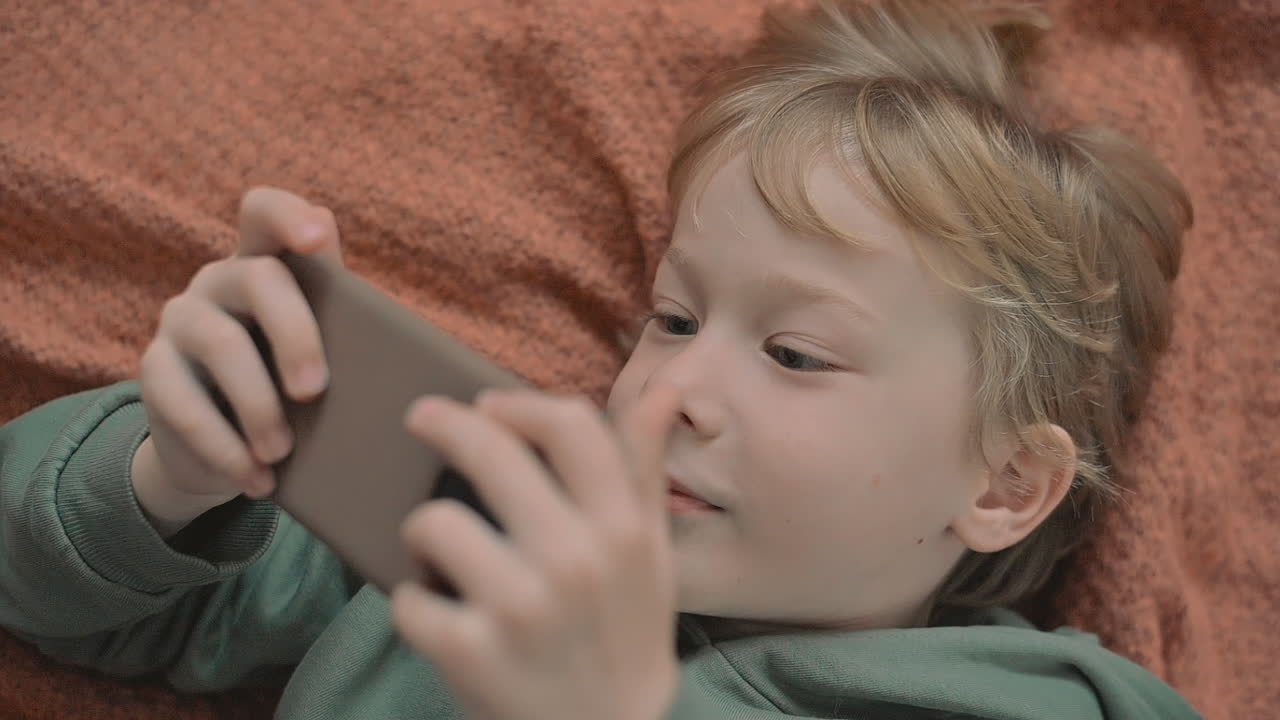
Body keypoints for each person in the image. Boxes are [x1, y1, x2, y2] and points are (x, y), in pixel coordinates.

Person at [0, 1, 1201, 718]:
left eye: (794, 352)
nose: (670, 391)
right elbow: (66, 612)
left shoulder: (1038, 703)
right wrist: (168, 481)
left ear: (1005, 484)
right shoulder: (480, 536)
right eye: (670, 320)